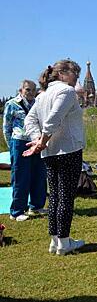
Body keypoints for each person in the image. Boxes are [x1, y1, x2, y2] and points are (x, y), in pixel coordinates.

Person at [24, 60, 86, 256]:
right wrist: (40, 141)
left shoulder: (42, 96)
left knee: (56, 197)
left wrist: (37, 140)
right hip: (68, 150)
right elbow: (53, 119)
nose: (76, 77)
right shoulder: (66, 92)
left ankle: (55, 241)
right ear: (61, 74)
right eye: (74, 73)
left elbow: (30, 120)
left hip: (50, 152)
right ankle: (64, 243)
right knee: (65, 197)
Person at [3, 80, 48, 221]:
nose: (31, 93)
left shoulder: (38, 103)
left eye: (33, 90)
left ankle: (36, 206)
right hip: (19, 141)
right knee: (20, 177)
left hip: (36, 141)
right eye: (28, 89)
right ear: (21, 90)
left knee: (39, 174)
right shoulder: (12, 104)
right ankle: (16, 211)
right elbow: (7, 127)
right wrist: (11, 145)